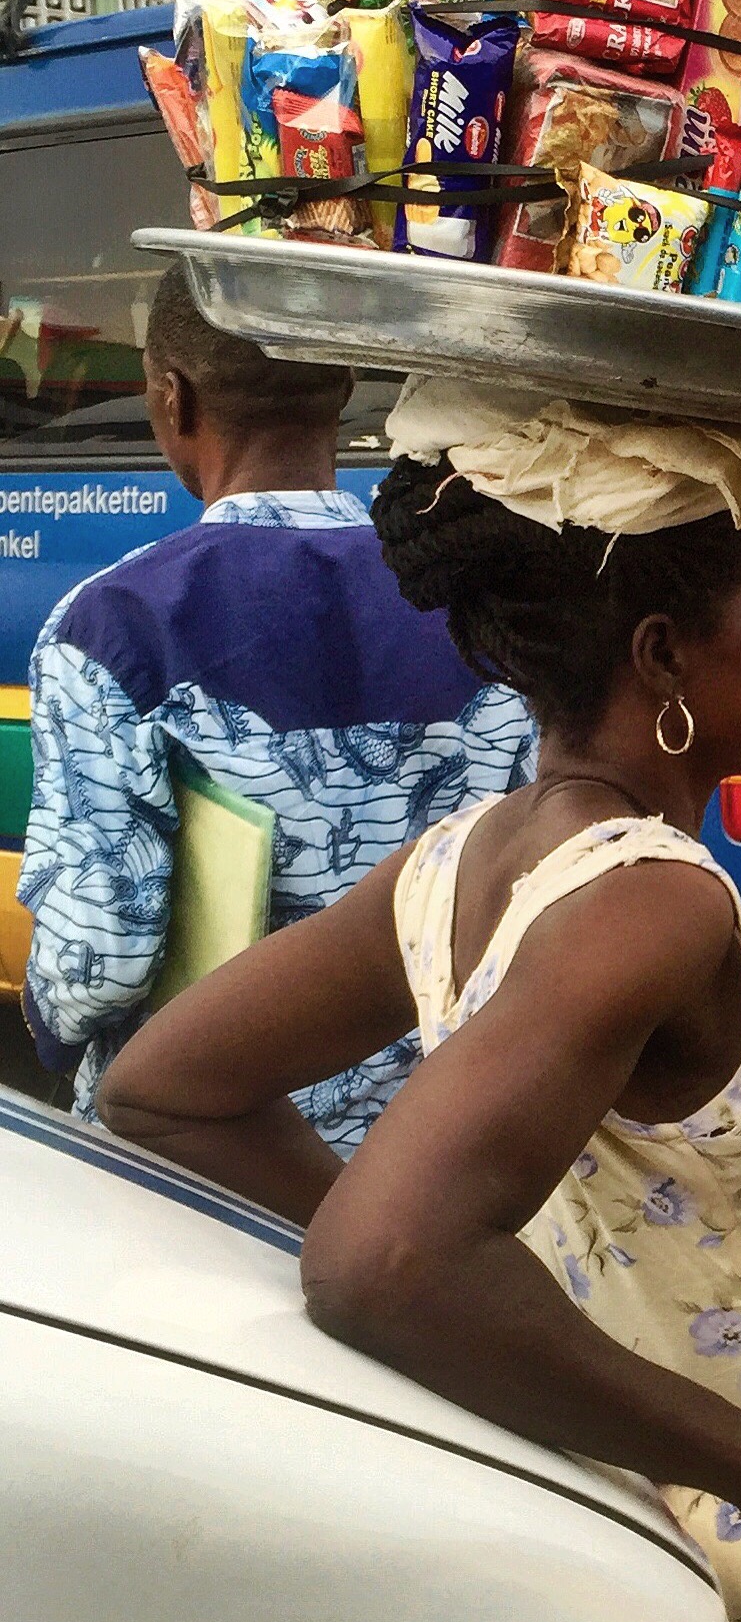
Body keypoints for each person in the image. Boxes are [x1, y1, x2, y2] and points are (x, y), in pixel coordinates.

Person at [96, 390, 741, 1622]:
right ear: (666, 656)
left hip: (659, 1554)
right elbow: (379, 1261)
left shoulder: (460, 864)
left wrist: (522, 1304)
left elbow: (162, 1088)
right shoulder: (650, 902)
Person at [18, 267, 534, 1152]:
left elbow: (96, 962)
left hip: (226, 1156)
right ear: (341, 385)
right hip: (447, 1150)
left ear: (172, 400)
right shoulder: (479, 599)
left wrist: (48, 1025)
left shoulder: (115, 627)